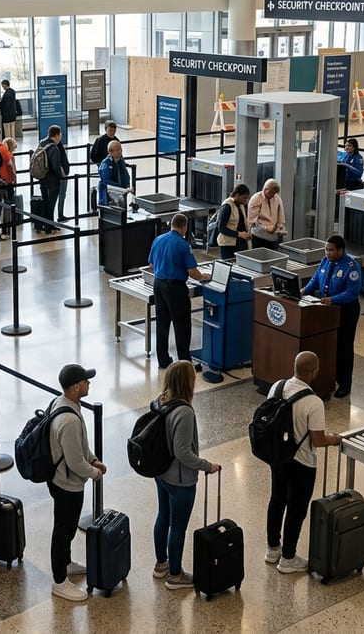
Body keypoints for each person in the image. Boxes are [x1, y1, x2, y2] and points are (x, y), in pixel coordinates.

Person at [264, 351, 343, 574]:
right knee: (296, 509)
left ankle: (272, 548)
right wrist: (334, 440)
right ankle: (288, 557)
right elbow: (317, 439)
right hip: (302, 463)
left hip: (277, 456)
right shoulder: (313, 402)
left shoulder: (277, 387)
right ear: (314, 371)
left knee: (276, 500)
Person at [151, 360, 220, 590]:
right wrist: (207, 465)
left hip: (160, 471)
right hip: (180, 480)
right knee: (178, 526)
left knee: (163, 516)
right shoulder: (184, 412)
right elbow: (183, 452)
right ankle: (175, 575)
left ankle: (161, 564)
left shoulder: (159, 402)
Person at [47, 364, 106, 602]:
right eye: (86, 381)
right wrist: (93, 472)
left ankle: (66, 562)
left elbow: (79, 446)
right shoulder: (69, 420)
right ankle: (59, 581)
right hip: (67, 483)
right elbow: (73, 462)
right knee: (63, 530)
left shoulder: (65, 404)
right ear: (76, 386)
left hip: (62, 478)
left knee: (68, 527)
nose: (89, 383)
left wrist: (92, 458)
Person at [302, 235, 362, 398]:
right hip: (327, 310)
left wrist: (332, 300)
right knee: (328, 345)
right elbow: (316, 279)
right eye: (326, 249)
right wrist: (304, 290)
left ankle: (344, 383)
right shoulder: (325, 261)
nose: (327, 253)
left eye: (331, 250)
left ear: (341, 250)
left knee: (344, 347)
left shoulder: (351, 267)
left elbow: (352, 293)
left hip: (345, 311)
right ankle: (329, 378)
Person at [148, 214, 210, 370]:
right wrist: (203, 277)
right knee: (181, 325)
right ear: (184, 227)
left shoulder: (158, 240)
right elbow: (192, 271)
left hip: (158, 284)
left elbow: (151, 264)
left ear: (172, 225)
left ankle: (163, 360)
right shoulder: (183, 245)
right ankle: (185, 363)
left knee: (162, 323)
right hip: (175, 288)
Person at [36, 126, 70, 228]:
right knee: (51, 204)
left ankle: (47, 225)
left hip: (43, 178)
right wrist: (61, 176)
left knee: (46, 203)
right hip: (52, 181)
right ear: (57, 135)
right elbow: (55, 166)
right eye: (60, 134)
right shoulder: (54, 148)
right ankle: (50, 225)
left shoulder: (42, 143)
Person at [215, 183, 251, 260]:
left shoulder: (241, 205)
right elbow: (221, 228)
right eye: (244, 198)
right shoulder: (227, 206)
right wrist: (239, 234)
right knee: (229, 263)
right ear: (237, 195)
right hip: (228, 243)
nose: (245, 201)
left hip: (240, 242)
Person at [247, 179, 286, 249]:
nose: (273, 195)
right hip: (259, 236)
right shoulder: (255, 199)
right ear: (265, 189)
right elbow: (252, 221)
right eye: (271, 193)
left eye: (274, 193)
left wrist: (281, 227)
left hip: (274, 236)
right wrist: (265, 228)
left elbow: (281, 215)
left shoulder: (277, 198)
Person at [97, 140, 131, 210]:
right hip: (108, 196)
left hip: (121, 194)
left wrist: (127, 186)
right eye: (118, 149)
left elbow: (126, 174)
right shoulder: (106, 163)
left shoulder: (121, 161)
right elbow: (105, 180)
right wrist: (120, 187)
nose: (120, 151)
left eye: (120, 149)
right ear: (110, 152)